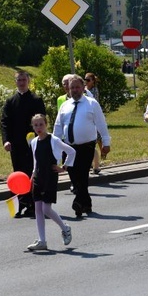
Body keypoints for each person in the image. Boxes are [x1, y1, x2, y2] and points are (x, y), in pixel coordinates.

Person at [54, 75, 112, 217]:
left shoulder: (92, 104)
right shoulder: (64, 106)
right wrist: (54, 146)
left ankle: (78, 203)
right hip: (68, 147)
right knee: (74, 176)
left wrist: (106, 142)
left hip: (86, 146)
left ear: (83, 88)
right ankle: (85, 203)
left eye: (77, 87)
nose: (74, 90)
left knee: (82, 175)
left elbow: (101, 124)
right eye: (72, 87)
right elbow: (58, 127)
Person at [1, 71, 46, 218]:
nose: (21, 82)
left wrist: (39, 137)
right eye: (19, 80)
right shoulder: (10, 102)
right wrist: (6, 140)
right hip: (16, 145)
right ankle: (19, 205)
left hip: (33, 145)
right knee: (18, 174)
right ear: (15, 82)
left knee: (32, 174)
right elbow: (5, 123)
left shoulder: (36, 100)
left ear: (28, 81)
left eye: (24, 80)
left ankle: (33, 205)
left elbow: (42, 122)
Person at [26, 113, 75, 251]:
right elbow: (36, 162)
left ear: (46, 124)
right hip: (38, 178)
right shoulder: (34, 142)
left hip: (50, 177)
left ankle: (65, 228)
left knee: (46, 209)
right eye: (35, 125)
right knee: (38, 209)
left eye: (41, 124)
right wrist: (32, 176)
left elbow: (71, 151)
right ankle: (42, 241)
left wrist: (63, 167)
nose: (38, 127)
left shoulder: (54, 140)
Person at [84, 73, 103, 174]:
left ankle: (96, 166)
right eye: (85, 79)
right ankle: (94, 164)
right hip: (87, 119)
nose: (86, 82)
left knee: (92, 144)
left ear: (92, 81)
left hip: (93, 119)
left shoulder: (94, 91)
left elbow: (92, 102)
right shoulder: (85, 90)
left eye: (88, 80)